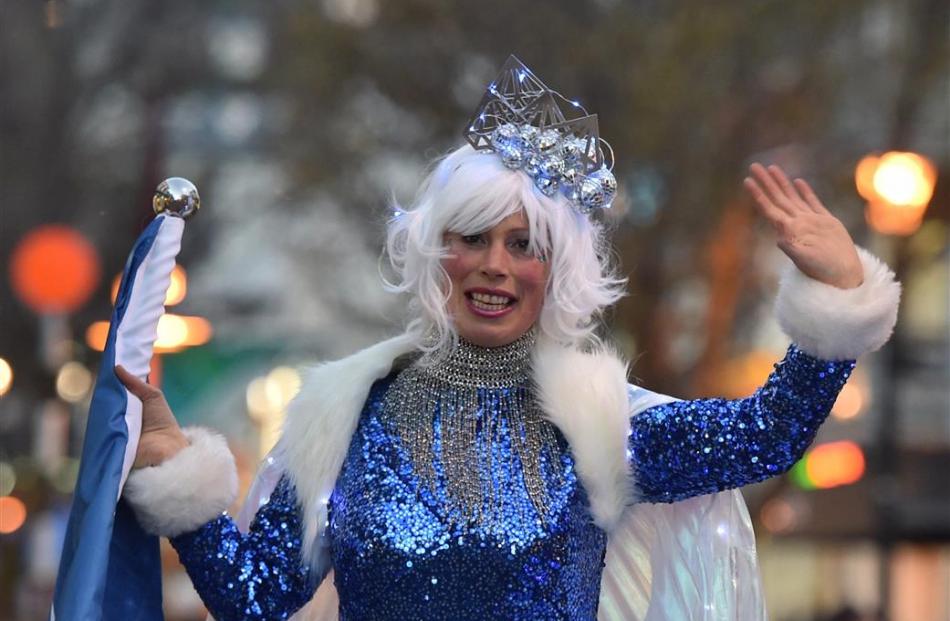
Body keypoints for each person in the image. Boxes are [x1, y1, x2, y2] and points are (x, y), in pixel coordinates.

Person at [117, 58, 900, 620]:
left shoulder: (596, 428)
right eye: (472, 237)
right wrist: (177, 479)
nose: (495, 265)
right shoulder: (342, 417)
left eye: (524, 245)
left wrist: (838, 294)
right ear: (435, 252)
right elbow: (253, 599)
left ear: (557, 271)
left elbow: (764, 434)